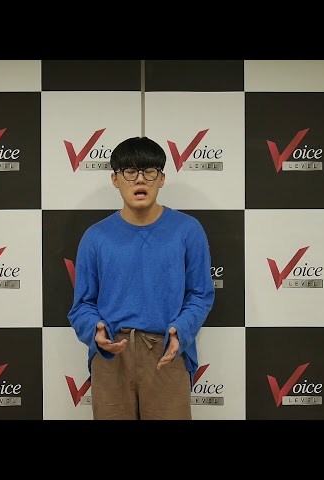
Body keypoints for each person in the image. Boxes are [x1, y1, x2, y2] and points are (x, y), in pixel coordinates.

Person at [67, 135, 215, 420]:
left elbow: (200, 294)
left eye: (149, 171)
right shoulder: (95, 237)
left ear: (162, 179)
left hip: (167, 353)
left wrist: (181, 331)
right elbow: (82, 304)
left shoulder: (188, 230)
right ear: (115, 179)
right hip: (111, 355)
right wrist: (96, 331)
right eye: (130, 171)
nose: (140, 180)